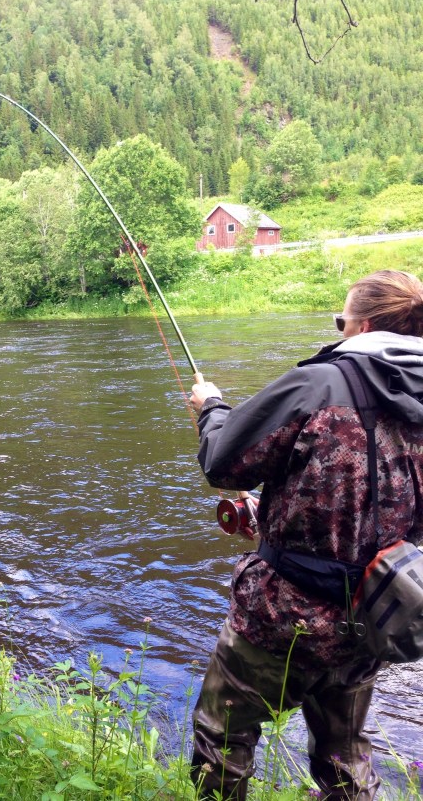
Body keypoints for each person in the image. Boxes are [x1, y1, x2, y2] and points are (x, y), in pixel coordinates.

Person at [188, 270, 423, 800]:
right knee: (345, 756)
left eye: (341, 322)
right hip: (377, 615)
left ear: (359, 325)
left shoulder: (319, 385)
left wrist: (211, 410)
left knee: (222, 737)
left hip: (282, 617)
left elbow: (225, 463)